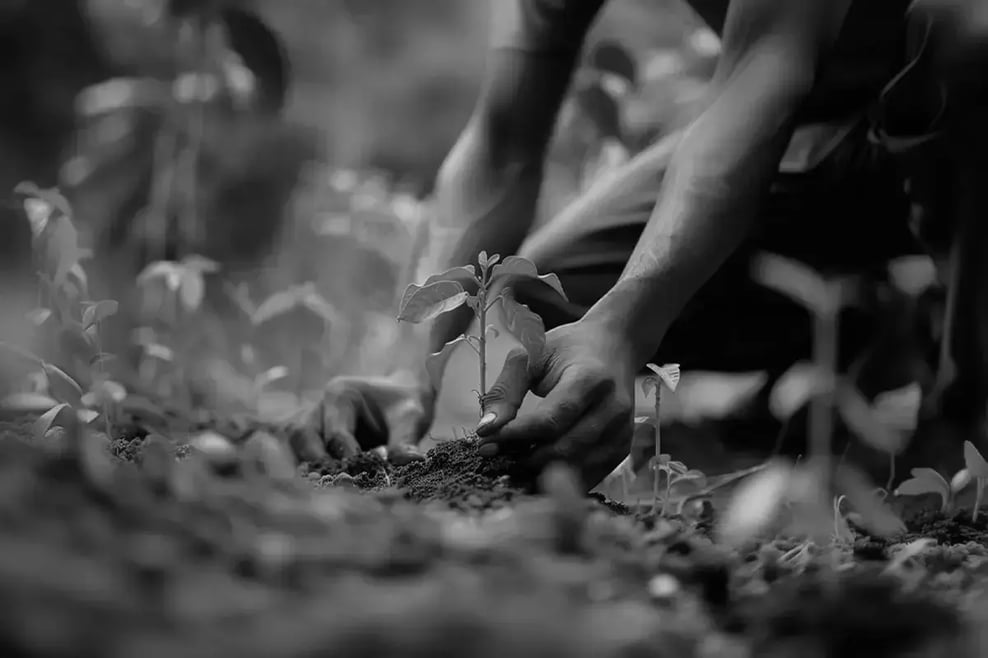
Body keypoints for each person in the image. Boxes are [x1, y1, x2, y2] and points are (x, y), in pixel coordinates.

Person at [298, 0, 988, 489]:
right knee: (550, 297)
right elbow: (502, 145)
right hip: (829, 137)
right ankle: (885, 326)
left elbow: (759, 83)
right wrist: (409, 371)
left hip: (952, 103)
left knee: (970, 34)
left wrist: (629, 326)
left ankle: (964, 418)